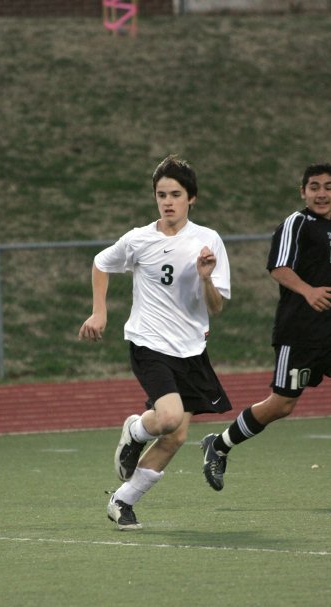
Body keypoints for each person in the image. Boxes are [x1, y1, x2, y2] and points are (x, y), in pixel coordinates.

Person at [201, 163, 331, 495]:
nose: (321, 193)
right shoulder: (296, 223)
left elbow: (327, 280)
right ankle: (219, 445)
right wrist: (308, 291)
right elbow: (278, 267)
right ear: (303, 192)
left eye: (328, 187)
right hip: (299, 334)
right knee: (281, 405)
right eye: (314, 187)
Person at [79, 155, 232, 529]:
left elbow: (217, 307)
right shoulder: (138, 239)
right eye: (161, 194)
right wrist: (99, 312)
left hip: (192, 349)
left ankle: (122, 500)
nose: (167, 201)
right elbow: (101, 263)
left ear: (191, 198)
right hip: (148, 343)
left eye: (176, 194)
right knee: (168, 418)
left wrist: (206, 278)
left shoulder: (207, 241)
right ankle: (135, 430)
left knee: (176, 435)